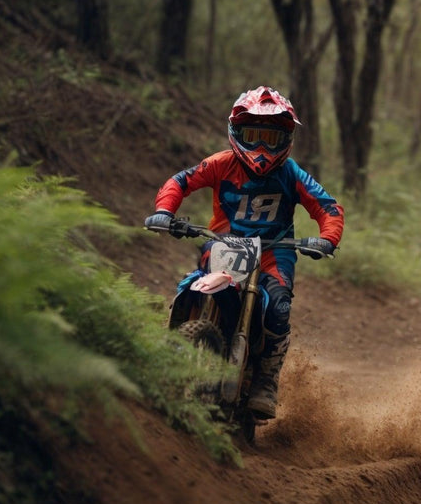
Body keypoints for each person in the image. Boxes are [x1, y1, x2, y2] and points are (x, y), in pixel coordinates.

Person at [145, 86, 344, 419]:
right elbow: (180, 182)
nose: (262, 146)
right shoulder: (221, 163)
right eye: (253, 135)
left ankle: (266, 378)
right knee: (191, 285)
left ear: (286, 138)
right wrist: (165, 212)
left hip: (273, 252)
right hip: (224, 242)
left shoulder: (291, 173)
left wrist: (327, 239)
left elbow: (328, 207)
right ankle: (173, 351)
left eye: (271, 137)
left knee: (277, 307)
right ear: (237, 132)